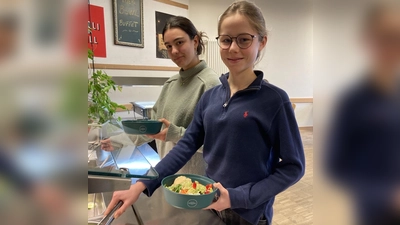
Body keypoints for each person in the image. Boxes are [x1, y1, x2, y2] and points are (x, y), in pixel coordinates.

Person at [105, 1, 305, 225]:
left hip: (248, 213)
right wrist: (142, 185)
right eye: (226, 40)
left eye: (244, 39)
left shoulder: (275, 100)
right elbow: (185, 145)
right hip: (208, 203)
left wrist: (238, 197)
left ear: (261, 41)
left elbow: (293, 167)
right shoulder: (210, 97)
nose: (233, 48)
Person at [101, 16, 220, 174]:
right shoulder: (171, 83)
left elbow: (217, 142)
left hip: (195, 179)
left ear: (195, 41)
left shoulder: (209, 83)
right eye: (169, 46)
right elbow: (152, 127)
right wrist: (118, 141)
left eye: (179, 43)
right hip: (167, 171)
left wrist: (175, 134)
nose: (174, 51)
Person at [326, 2, 400, 225]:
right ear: (368, 41)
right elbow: (336, 166)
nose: (392, 46)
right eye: (384, 37)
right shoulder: (352, 101)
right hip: (376, 214)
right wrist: (387, 196)